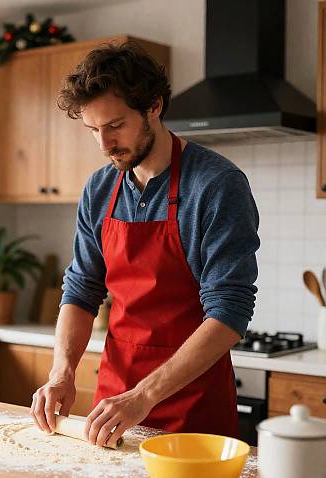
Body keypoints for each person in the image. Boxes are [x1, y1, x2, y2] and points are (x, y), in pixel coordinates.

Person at [30, 42, 259, 448]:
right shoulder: (100, 188)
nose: (104, 145)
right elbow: (81, 290)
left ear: (153, 106)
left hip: (192, 406)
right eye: (93, 130)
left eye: (115, 125)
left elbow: (229, 312)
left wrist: (144, 397)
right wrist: (60, 374)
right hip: (115, 401)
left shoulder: (216, 185)